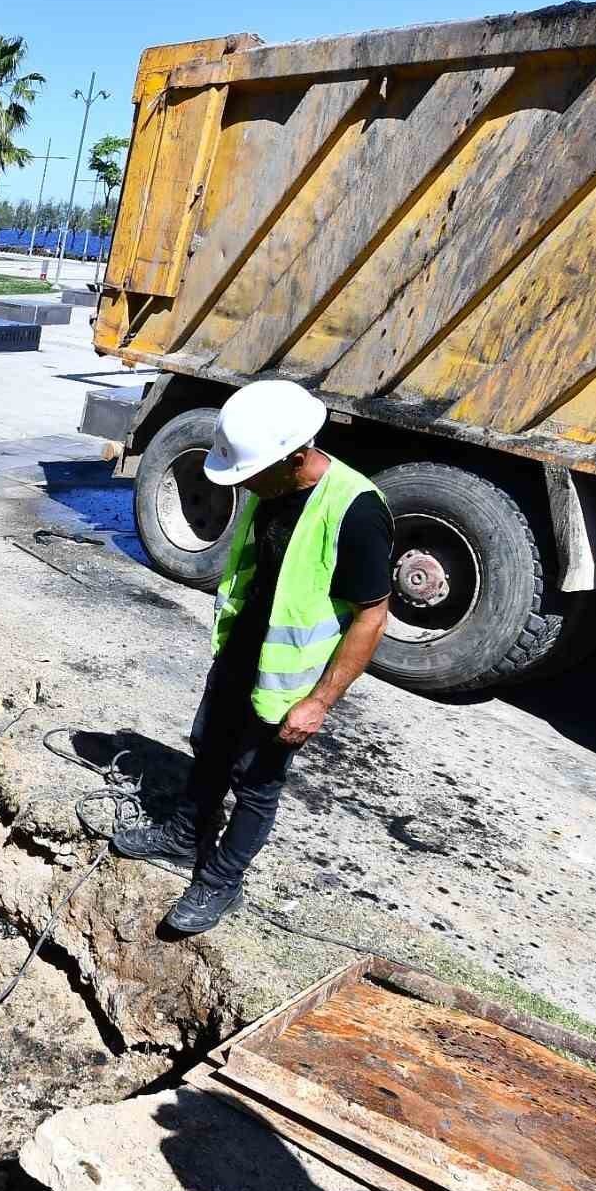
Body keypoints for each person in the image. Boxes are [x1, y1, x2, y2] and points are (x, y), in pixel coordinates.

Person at [115, 380, 393, 935]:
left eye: (252, 472)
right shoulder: (271, 489)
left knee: (256, 782)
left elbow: (372, 617)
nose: (243, 483)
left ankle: (220, 879)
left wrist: (319, 702)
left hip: (288, 680)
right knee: (208, 746)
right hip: (242, 652)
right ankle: (184, 835)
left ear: (295, 458)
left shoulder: (354, 509)